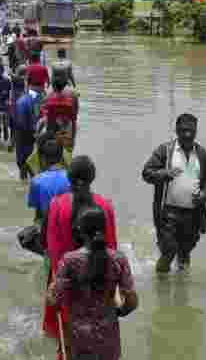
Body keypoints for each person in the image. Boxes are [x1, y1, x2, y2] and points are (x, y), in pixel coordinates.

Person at [47, 207, 138, 360]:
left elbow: (54, 300)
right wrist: (119, 312)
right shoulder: (118, 259)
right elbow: (132, 301)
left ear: (80, 231)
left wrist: (51, 289)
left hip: (79, 337)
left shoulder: (70, 260)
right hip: (109, 336)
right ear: (104, 228)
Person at [44, 156, 117, 339]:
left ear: (69, 178)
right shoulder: (105, 206)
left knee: (67, 338)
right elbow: (112, 248)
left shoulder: (57, 205)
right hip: (98, 283)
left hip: (66, 282)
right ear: (92, 178)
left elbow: (53, 250)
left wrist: (56, 284)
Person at [141, 113, 206, 273]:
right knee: (169, 251)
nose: (187, 134)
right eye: (183, 130)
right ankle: (161, 284)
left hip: (193, 213)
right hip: (167, 212)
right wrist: (164, 174)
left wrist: (205, 194)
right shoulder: (165, 151)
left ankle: (182, 288)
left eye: (191, 131)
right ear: (176, 130)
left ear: (196, 131)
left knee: (185, 252)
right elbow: (146, 173)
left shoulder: (202, 154)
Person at [27, 139, 71, 248]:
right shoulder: (71, 178)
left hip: (48, 231)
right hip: (69, 228)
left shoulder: (36, 181)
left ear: (43, 159)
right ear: (61, 158)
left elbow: (38, 214)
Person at [13, 85, 45, 180]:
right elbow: (39, 117)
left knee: (23, 162)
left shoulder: (21, 102)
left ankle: (25, 181)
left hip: (23, 135)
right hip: (31, 134)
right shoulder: (35, 100)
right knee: (30, 160)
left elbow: (20, 122)